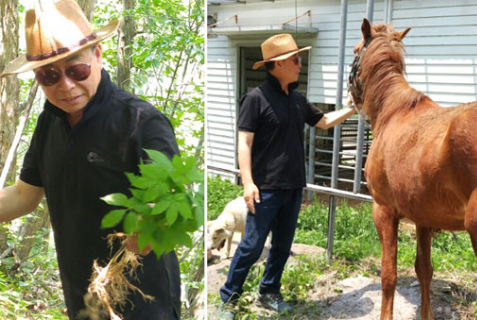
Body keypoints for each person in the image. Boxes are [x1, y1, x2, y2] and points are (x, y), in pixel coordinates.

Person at [0, 1, 181, 319]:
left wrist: (152, 223)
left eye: (76, 70)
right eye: (49, 75)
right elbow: (22, 196)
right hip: (82, 297)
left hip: (143, 302)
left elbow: (171, 202)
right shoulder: (49, 123)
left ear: (97, 55)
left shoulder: (141, 122)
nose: (66, 85)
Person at [217, 33, 357, 319]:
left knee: (282, 245)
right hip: (264, 189)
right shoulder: (255, 99)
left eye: (299, 57)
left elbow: (324, 122)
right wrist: (247, 182)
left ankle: (269, 292)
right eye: (295, 58)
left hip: (294, 187)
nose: (299, 62)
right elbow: (244, 143)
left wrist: (354, 108)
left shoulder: (297, 99)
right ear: (278, 64)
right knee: (252, 246)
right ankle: (229, 299)